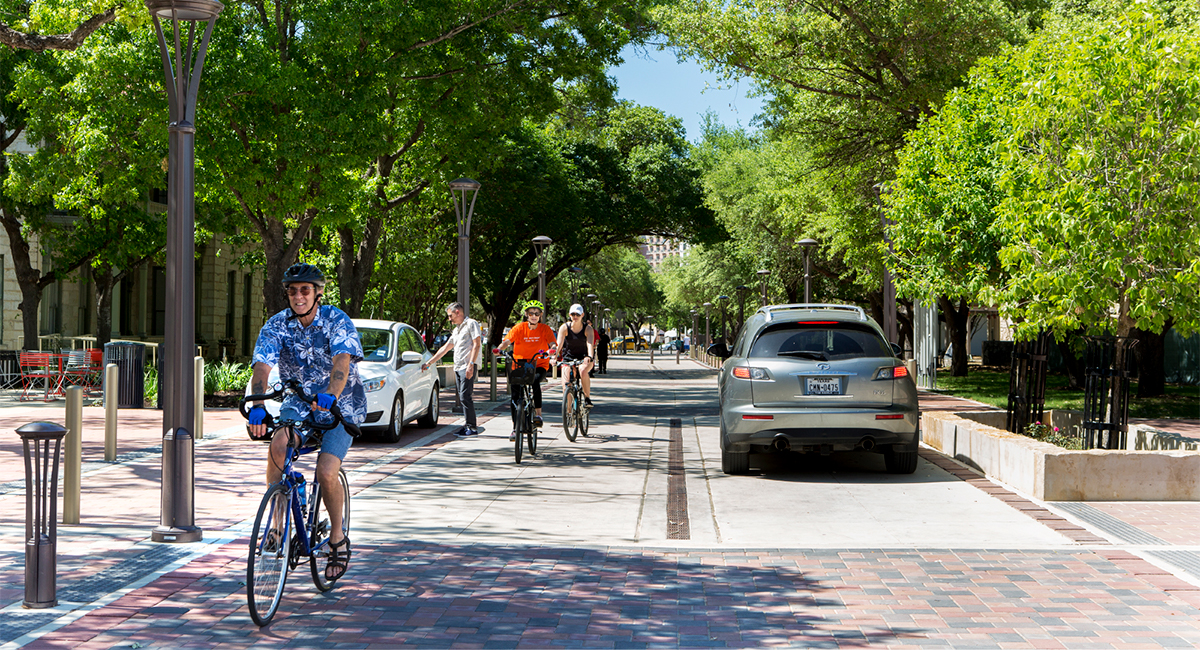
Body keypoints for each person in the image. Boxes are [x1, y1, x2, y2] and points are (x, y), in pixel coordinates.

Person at [247, 263, 366, 583]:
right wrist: (257, 406)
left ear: (318, 293)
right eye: (292, 290)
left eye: (305, 290)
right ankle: (276, 527)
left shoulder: (336, 320)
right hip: (298, 402)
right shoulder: (276, 325)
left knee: (326, 471)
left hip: (341, 404)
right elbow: (262, 368)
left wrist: (331, 393)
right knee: (278, 445)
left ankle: (338, 540)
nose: (298, 296)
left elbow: (342, 362)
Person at [494, 300, 556, 441]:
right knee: (515, 394)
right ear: (526, 315)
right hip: (519, 365)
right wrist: (499, 349)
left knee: (535, 381)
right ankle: (515, 428)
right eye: (531, 313)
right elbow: (507, 341)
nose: (534, 316)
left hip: (538, 364)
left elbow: (552, 343)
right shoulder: (519, 328)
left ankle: (538, 415)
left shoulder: (545, 329)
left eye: (537, 313)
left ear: (540, 315)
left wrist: (552, 350)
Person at [422, 302, 482, 436]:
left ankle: (472, 427)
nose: (449, 319)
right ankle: (468, 425)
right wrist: (429, 362)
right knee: (463, 397)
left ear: (458, 312)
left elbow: (476, 344)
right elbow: (445, 348)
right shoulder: (457, 329)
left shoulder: (471, 324)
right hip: (458, 366)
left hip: (467, 366)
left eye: (450, 316)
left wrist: (471, 365)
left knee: (466, 396)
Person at [556, 304, 596, 407]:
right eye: (573, 314)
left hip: (584, 357)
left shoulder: (588, 329)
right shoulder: (564, 327)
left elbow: (590, 343)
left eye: (577, 314)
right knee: (566, 383)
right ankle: (569, 414)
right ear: (569, 315)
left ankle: (587, 398)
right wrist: (554, 357)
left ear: (582, 315)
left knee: (582, 371)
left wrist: (590, 356)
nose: (575, 316)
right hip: (568, 358)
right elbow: (559, 345)